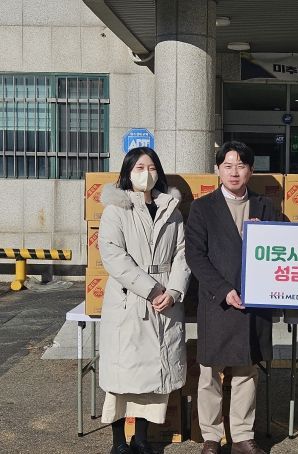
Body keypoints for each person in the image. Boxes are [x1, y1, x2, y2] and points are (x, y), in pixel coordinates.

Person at [185, 141, 279, 454]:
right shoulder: (202, 207)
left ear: (251, 170)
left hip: (253, 303)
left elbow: (289, 244)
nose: (234, 172)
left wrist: (268, 232)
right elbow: (195, 256)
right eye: (228, 166)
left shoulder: (265, 206)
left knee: (246, 370)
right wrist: (224, 289)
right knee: (209, 372)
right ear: (217, 170)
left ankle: (241, 436)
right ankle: (211, 437)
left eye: (241, 165)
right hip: (218, 302)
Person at [98, 147, 191, 454]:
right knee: (122, 375)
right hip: (130, 300)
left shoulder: (171, 210)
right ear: (127, 172)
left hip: (165, 300)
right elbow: (114, 256)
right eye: (139, 167)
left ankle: (141, 438)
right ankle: (118, 443)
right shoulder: (116, 210)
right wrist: (152, 290)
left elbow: (182, 255)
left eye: (151, 167)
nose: (146, 173)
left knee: (152, 378)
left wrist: (173, 292)